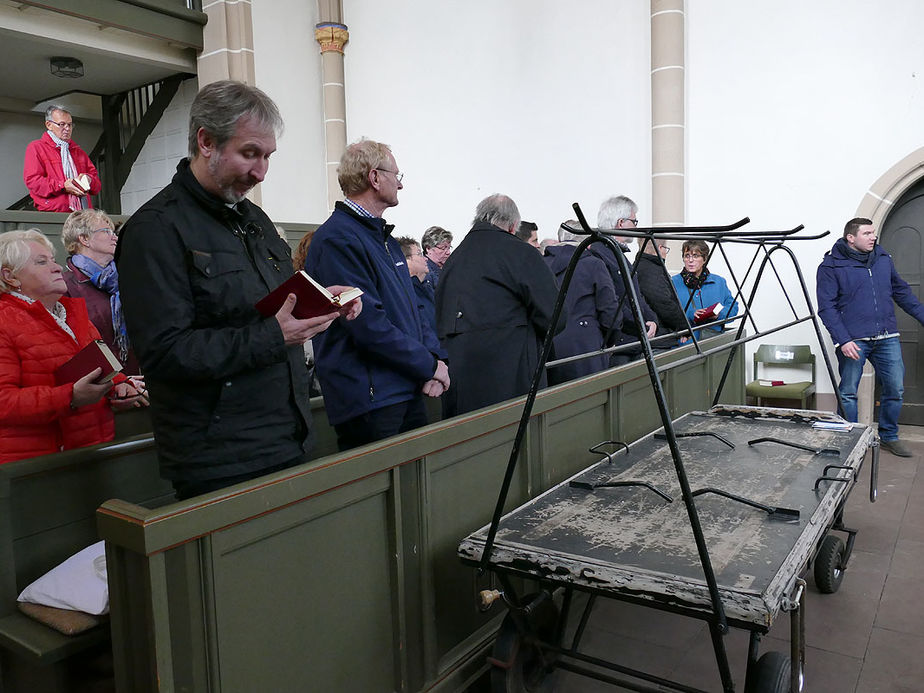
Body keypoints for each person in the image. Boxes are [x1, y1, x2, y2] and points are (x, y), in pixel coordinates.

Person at [116, 80, 358, 500]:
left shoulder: (256, 221)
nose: (261, 171)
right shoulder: (154, 230)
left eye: (267, 157)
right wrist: (273, 335)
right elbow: (165, 353)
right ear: (206, 141)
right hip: (220, 457)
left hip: (287, 434)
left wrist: (322, 298)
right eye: (250, 154)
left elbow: (275, 305)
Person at [305, 140, 448, 451]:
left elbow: (412, 311)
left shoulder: (386, 240)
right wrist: (427, 365)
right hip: (371, 398)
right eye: (396, 175)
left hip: (403, 387)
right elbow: (367, 324)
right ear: (374, 178)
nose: (400, 184)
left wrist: (433, 360)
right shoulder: (337, 239)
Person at [0, 229, 144, 464]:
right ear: (11, 277)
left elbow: (97, 365)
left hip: (92, 451)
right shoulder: (4, 322)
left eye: (53, 260)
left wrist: (119, 386)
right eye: (41, 262)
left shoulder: (73, 314)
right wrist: (70, 397)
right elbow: (3, 402)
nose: (57, 268)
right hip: (38, 465)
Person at [435, 194, 562, 417]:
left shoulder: (453, 259)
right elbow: (554, 316)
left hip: (461, 379)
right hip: (512, 378)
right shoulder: (521, 253)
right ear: (513, 226)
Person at [816, 217, 924, 457]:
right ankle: (850, 438)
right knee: (848, 392)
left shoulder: (883, 260)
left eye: (873, 233)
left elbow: (902, 292)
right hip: (854, 339)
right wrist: (843, 340)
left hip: (886, 336)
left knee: (895, 388)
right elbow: (827, 307)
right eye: (867, 233)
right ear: (851, 238)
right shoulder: (831, 266)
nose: (873, 237)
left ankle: (888, 436)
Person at [61, 209, 140, 375]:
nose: (114, 237)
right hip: (97, 381)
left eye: (113, 232)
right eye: (106, 231)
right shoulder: (66, 285)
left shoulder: (128, 278)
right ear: (84, 239)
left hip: (135, 378)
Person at [544, 222, 622, 384]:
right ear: (586, 242)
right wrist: (610, 339)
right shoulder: (593, 265)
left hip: (548, 349)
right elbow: (610, 310)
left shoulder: (542, 264)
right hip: (586, 349)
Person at [595, 196, 659, 364]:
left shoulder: (619, 255)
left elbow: (637, 297)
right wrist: (643, 327)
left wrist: (653, 321)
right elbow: (613, 302)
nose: (636, 226)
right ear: (621, 223)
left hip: (633, 339)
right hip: (619, 345)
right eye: (634, 221)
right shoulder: (599, 254)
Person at [23, 105, 101, 212]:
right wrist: (62, 186)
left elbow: (97, 186)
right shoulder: (36, 148)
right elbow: (34, 182)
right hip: (53, 213)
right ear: (49, 125)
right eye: (62, 124)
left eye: (69, 124)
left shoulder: (78, 152)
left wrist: (89, 180)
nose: (67, 128)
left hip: (82, 214)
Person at [670, 239, 738, 341]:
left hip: (714, 341)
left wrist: (719, 314)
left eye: (696, 256)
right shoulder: (673, 282)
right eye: (687, 256)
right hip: (687, 343)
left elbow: (733, 308)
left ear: (704, 259)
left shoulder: (719, 282)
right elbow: (667, 312)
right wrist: (691, 314)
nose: (690, 260)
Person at [635, 235, 688, 346]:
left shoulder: (638, 266)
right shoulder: (652, 271)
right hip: (659, 337)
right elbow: (663, 303)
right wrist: (685, 326)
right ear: (660, 248)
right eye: (666, 249)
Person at [397, 236, 437, 335]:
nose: (425, 259)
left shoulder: (426, 288)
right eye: (419, 254)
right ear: (406, 261)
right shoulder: (405, 295)